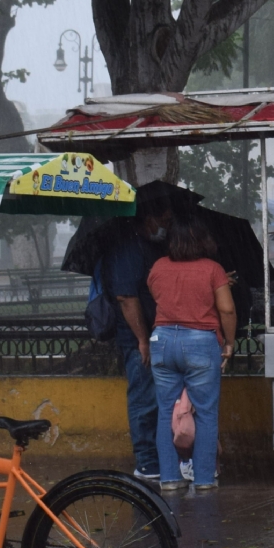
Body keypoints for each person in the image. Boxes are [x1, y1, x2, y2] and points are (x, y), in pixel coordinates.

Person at [147, 214, 236, 491]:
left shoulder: (158, 266)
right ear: (202, 240)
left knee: (165, 412)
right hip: (200, 342)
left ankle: (170, 480)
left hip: (161, 340)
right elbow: (227, 309)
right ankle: (204, 479)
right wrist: (229, 343)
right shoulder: (212, 269)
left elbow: (160, 297)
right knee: (206, 413)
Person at [104, 189, 175, 481]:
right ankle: (146, 462)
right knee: (144, 400)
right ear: (148, 219)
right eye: (163, 220)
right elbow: (126, 298)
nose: (166, 227)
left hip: (158, 335)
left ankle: (160, 456)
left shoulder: (152, 246)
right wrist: (142, 340)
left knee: (161, 400)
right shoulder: (128, 249)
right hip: (138, 340)